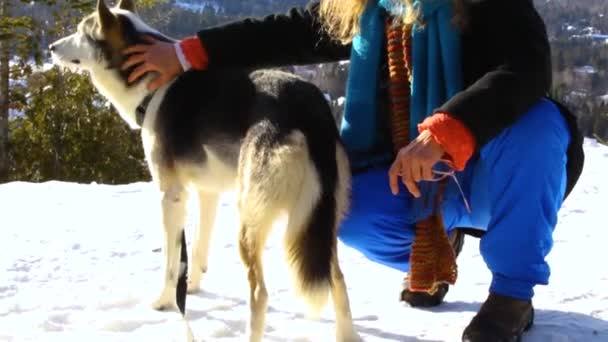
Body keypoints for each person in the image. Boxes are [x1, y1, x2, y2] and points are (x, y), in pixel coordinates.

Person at [122, 0, 585, 340]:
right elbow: (287, 32)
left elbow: (528, 68)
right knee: (345, 205)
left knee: (538, 127)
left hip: (493, 174)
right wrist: (185, 53)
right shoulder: (371, 8)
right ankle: (436, 248)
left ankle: (511, 295)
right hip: (420, 180)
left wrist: (447, 130)